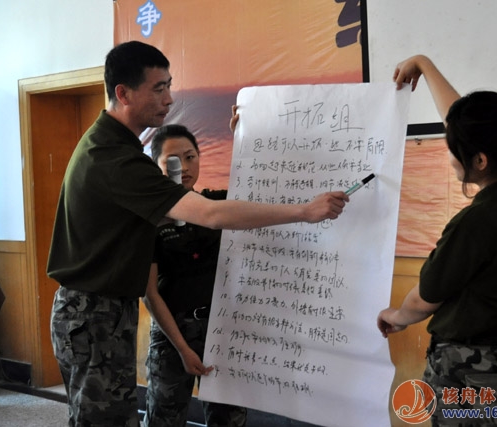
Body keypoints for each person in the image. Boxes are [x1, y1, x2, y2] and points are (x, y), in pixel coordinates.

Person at [47, 40, 348, 427]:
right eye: (158, 88)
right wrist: (304, 212)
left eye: (169, 86)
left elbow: (218, 204)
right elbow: (210, 213)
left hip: (104, 311)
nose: (169, 99)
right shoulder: (114, 159)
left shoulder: (113, 147)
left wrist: (246, 145)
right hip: (93, 313)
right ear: (123, 93)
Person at [377, 55, 497, 426]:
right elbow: (467, 125)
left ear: (480, 161)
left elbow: (424, 299)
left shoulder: (475, 223)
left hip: (470, 376)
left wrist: (396, 316)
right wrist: (424, 65)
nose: (449, 154)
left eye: (452, 148)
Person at [142, 124, 247, 427]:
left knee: (229, 418)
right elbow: (150, 294)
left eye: (190, 157)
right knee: (164, 419)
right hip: (172, 335)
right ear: (157, 165)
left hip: (221, 330)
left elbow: (253, 187)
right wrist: (183, 349)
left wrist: (243, 132)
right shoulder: (150, 221)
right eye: (173, 160)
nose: (184, 167)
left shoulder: (216, 204)